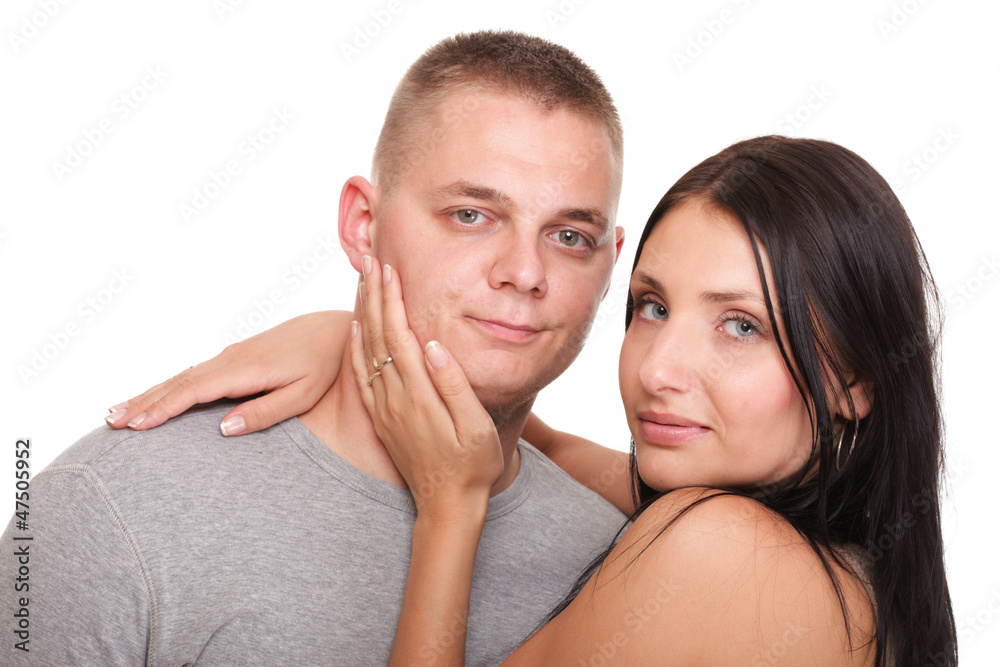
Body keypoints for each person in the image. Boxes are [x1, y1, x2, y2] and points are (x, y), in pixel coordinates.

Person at [119, 136, 958, 665]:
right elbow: (540, 446)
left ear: (856, 382)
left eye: (741, 326)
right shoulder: (842, 558)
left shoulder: (725, 550)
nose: (660, 367)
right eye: (653, 306)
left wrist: (452, 509)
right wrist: (356, 335)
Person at [0, 31, 630, 665]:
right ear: (363, 226)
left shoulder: (619, 564)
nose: (524, 272)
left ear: (612, 267)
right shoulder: (111, 508)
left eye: (571, 235)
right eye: (471, 214)